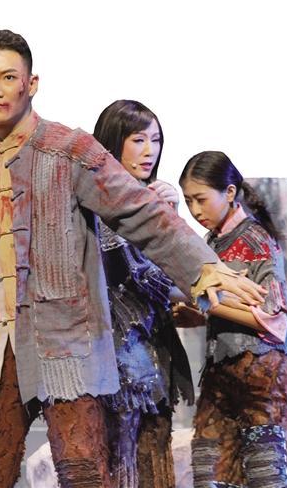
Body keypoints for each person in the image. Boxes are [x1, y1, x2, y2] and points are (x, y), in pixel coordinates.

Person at [0, 30, 265, 488]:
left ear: (31, 84)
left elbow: (138, 211)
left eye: (8, 77)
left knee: (83, 471)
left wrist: (203, 268)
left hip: (63, 340)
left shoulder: (69, 151)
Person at [178, 151, 287, 488]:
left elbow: (274, 317)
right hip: (223, 374)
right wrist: (198, 313)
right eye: (188, 201)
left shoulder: (256, 239)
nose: (194, 210)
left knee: (265, 475)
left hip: (261, 379)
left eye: (201, 199)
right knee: (209, 470)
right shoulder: (211, 241)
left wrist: (207, 303)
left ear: (230, 192)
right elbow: (226, 305)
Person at [92, 100, 193, 488]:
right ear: (114, 141)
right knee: (122, 457)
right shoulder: (104, 200)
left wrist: (171, 214)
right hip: (119, 353)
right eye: (138, 140)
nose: (150, 150)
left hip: (150, 346)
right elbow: (144, 274)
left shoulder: (148, 196)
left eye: (156, 140)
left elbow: (173, 262)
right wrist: (206, 292)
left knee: (151, 452)